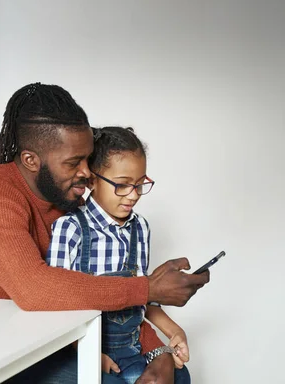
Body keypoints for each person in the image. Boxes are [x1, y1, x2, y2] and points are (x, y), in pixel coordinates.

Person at [0, 82, 209, 383]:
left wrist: (158, 351)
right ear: (31, 160)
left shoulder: (68, 201)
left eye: (88, 159)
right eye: (73, 163)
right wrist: (147, 288)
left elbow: (97, 293)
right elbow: (35, 289)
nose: (87, 173)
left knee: (177, 378)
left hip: (45, 340)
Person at [46, 126, 190, 384]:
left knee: (180, 377)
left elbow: (144, 295)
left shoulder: (140, 227)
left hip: (131, 350)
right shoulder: (71, 228)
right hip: (81, 348)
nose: (133, 195)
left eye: (139, 184)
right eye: (122, 185)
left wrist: (174, 332)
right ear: (92, 180)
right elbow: (54, 305)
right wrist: (87, 351)